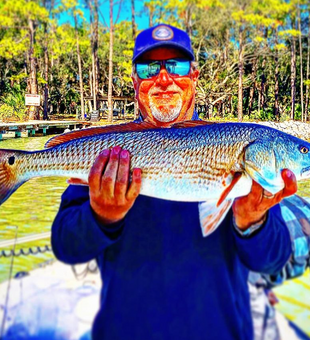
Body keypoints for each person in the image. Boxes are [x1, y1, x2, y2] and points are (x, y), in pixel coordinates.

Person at [51, 24, 297, 340]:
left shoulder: (244, 156)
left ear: (194, 75)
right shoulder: (110, 152)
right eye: (150, 67)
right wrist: (100, 217)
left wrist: (252, 222)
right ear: (135, 80)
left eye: (177, 66)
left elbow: (272, 260)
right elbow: (66, 246)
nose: (164, 78)